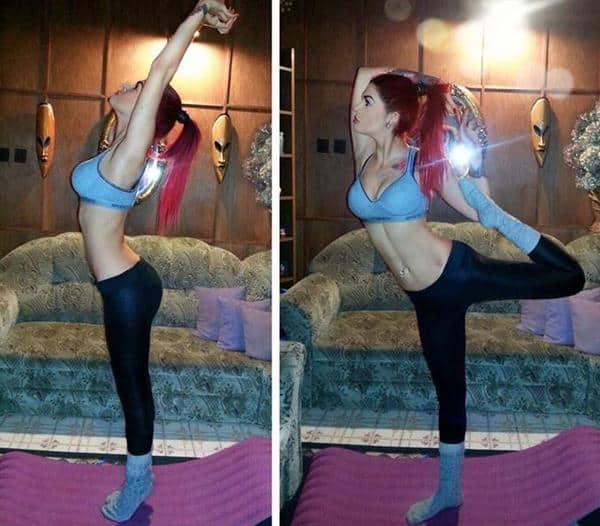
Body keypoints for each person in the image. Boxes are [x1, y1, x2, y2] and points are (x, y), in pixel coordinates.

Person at [346, 67, 585, 525]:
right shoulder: (364, 154)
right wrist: (420, 81)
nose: (358, 108)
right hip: (426, 300)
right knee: (450, 393)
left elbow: (479, 209)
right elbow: (364, 72)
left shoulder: (422, 163)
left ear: (393, 116)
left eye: (369, 102)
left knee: (569, 278)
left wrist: (483, 185)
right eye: (362, 101)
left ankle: (550, 255)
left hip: (456, 273)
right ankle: (449, 491)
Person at [70, 1, 238, 522]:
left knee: (131, 383)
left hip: (126, 287)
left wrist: (199, 14)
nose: (128, 84)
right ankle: (140, 472)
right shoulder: (120, 146)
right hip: (126, 281)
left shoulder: (130, 152)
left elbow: (162, 68)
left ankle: (139, 478)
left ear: (148, 108)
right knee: (131, 379)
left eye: (139, 87)